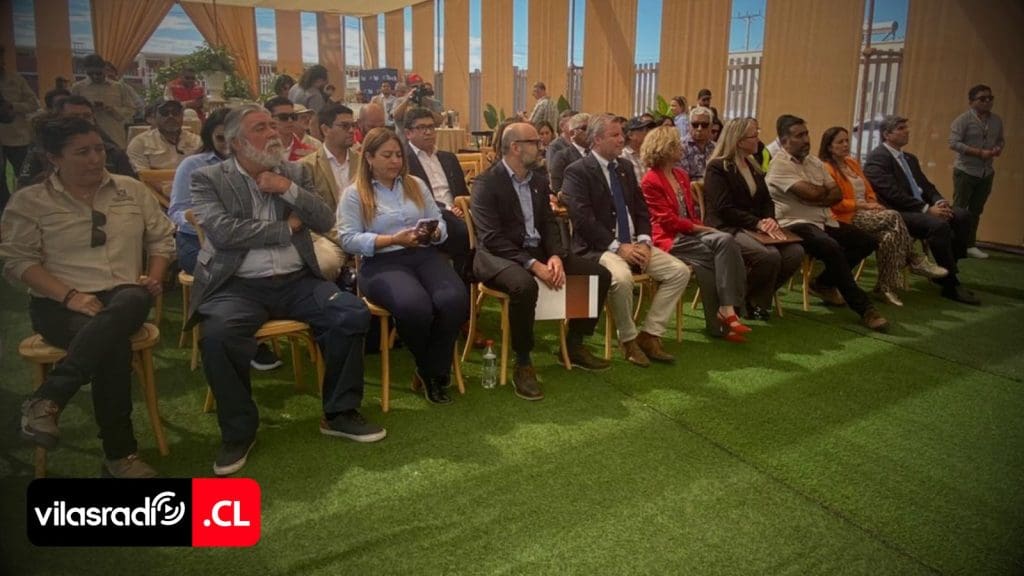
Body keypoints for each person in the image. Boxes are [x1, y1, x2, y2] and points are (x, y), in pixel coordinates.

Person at [188, 104, 385, 477]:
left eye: (272, 125)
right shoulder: (208, 178)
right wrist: (287, 228)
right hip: (238, 285)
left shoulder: (294, 172)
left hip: (297, 280)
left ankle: (339, 413)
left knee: (350, 312)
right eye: (260, 128)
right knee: (217, 336)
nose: (273, 133)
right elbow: (224, 233)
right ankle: (238, 433)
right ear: (236, 142)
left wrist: (288, 190)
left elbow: (324, 218)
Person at [1, 116, 175, 478]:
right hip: (58, 306)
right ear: (54, 157)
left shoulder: (131, 189)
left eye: (99, 149)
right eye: (82, 152)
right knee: (111, 345)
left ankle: (49, 397)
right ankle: (121, 457)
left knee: (132, 299)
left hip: (124, 296)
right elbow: (18, 262)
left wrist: (155, 277)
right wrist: (71, 297)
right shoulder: (31, 201)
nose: (95, 159)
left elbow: (161, 239)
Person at [472, 123, 612, 398]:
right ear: (515, 147)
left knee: (599, 274)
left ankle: (573, 344)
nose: (541, 147)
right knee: (524, 286)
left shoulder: (537, 180)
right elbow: (491, 238)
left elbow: (549, 223)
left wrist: (556, 255)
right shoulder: (486, 183)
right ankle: (523, 361)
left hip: (537, 251)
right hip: (498, 256)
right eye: (534, 142)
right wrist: (533, 264)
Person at [338, 128, 469, 405]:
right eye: (387, 155)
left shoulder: (415, 184)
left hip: (423, 254)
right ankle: (432, 371)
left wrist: (435, 232)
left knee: (455, 299)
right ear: (369, 157)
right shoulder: (354, 194)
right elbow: (348, 239)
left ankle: (431, 368)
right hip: (381, 261)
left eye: (398, 155)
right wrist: (391, 240)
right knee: (414, 306)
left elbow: (438, 220)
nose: (395, 161)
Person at [562, 115, 689, 366]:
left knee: (679, 272)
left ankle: (650, 334)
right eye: (615, 135)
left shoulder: (625, 168)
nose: (622, 139)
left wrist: (644, 241)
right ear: (597, 140)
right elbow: (584, 220)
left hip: (634, 244)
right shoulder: (577, 171)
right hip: (598, 248)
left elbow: (641, 209)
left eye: (622, 134)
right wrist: (619, 247)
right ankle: (628, 340)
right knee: (621, 279)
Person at [766, 114, 889, 331]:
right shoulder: (779, 166)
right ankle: (864, 308)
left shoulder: (814, 162)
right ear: (785, 141)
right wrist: (819, 194)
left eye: (806, 134)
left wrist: (815, 196)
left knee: (867, 241)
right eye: (799, 136)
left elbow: (836, 194)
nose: (806, 140)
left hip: (823, 220)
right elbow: (815, 194)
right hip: (794, 223)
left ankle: (823, 283)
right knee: (829, 246)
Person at [640, 126, 749, 342]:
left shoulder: (681, 174)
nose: (682, 147)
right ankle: (726, 315)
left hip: (688, 231)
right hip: (668, 237)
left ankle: (725, 312)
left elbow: (690, 213)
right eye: (677, 144)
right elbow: (667, 221)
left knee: (724, 243)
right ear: (665, 148)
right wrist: (704, 229)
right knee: (718, 252)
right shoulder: (650, 180)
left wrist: (699, 228)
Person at [819, 126, 948, 306]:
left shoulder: (852, 163)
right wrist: (863, 205)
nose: (845, 144)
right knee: (894, 215)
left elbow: (869, 190)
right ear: (829, 146)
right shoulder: (826, 168)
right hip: (845, 216)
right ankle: (914, 258)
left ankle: (884, 288)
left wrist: (872, 204)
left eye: (847, 140)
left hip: (867, 213)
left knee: (889, 236)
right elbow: (834, 202)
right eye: (840, 142)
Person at [863, 115, 979, 305]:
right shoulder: (878, 158)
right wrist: (926, 209)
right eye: (901, 128)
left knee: (962, 216)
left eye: (906, 127)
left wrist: (939, 201)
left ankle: (947, 270)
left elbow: (926, 185)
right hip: (898, 212)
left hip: (921, 208)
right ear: (886, 134)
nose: (906, 131)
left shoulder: (909, 158)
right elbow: (892, 194)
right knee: (938, 225)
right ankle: (951, 284)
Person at [703, 117, 804, 320]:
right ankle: (745, 303)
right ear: (739, 140)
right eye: (754, 135)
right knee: (768, 256)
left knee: (795, 252)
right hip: (727, 227)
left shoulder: (752, 164)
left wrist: (770, 220)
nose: (758, 139)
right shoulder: (718, 167)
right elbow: (724, 209)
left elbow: (767, 200)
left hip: (754, 227)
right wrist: (757, 223)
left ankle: (752, 299)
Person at [403, 108, 472, 282]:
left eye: (431, 127)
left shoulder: (448, 158)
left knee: (485, 227)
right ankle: (464, 279)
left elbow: (462, 192)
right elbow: (411, 196)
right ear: (408, 133)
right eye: (421, 128)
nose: (428, 132)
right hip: (428, 214)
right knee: (464, 232)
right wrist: (448, 208)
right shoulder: (403, 161)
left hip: (458, 211)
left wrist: (460, 206)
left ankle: (469, 277)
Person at [18, 95, 136, 189]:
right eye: (74, 116)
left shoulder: (114, 153)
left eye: (87, 116)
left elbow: (130, 189)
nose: (81, 121)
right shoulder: (40, 152)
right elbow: (24, 187)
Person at [298, 102, 356, 283]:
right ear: (325, 129)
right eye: (344, 126)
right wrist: (346, 239)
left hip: (364, 230)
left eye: (353, 125)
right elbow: (311, 216)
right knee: (326, 265)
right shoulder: (305, 166)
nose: (351, 131)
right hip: (326, 234)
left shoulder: (365, 163)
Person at [949, 84, 1004, 259]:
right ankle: (953, 244)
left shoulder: (996, 120)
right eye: (982, 98)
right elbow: (953, 143)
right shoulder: (963, 120)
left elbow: (1001, 140)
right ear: (972, 101)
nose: (988, 101)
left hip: (986, 172)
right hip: (965, 171)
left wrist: (998, 148)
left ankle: (970, 245)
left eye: (990, 98)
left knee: (976, 210)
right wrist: (979, 152)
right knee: (959, 210)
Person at [0, 45, 41, 209]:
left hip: (17, 137)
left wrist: (13, 106)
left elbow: (33, 104)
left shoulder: (15, 79)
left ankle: (31, 209)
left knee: (26, 176)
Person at [70, 54, 137, 148]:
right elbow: (70, 112)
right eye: (90, 73)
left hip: (114, 134)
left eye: (98, 73)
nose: (95, 76)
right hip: (86, 134)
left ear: (104, 69)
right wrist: (87, 109)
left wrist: (112, 109)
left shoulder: (118, 87)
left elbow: (131, 109)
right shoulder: (78, 88)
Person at [125, 99, 201, 172]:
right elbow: (142, 175)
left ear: (182, 116)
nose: (170, 116)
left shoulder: (197, 142)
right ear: (154, 117)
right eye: (164, 112)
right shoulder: (140, 143)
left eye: (175, 112)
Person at [264, 97, 321, 161]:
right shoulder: (260, 149)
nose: (290, 120)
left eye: (293, 116)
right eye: (283, 117)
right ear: (269, 118)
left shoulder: (310, 152)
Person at [549, 112, 590, 193]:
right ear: (572, 133)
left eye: (591, 129)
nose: (589, 132)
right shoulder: (562, 156)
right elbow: (557, 187)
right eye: (585, 128)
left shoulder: (596, 154)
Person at [678, 106, 716, 181]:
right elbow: (682, 177)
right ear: (689, 125)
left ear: (711, 126)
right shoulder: (680, 147)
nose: (699, 128)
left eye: (704, 125)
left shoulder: (716, 147)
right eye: (695, 124)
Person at [621, 116, 656, 184]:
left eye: (649, 130)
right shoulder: (623, 156)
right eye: (644, 130)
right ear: (630, 135)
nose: (649, 133)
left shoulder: (649, 154)